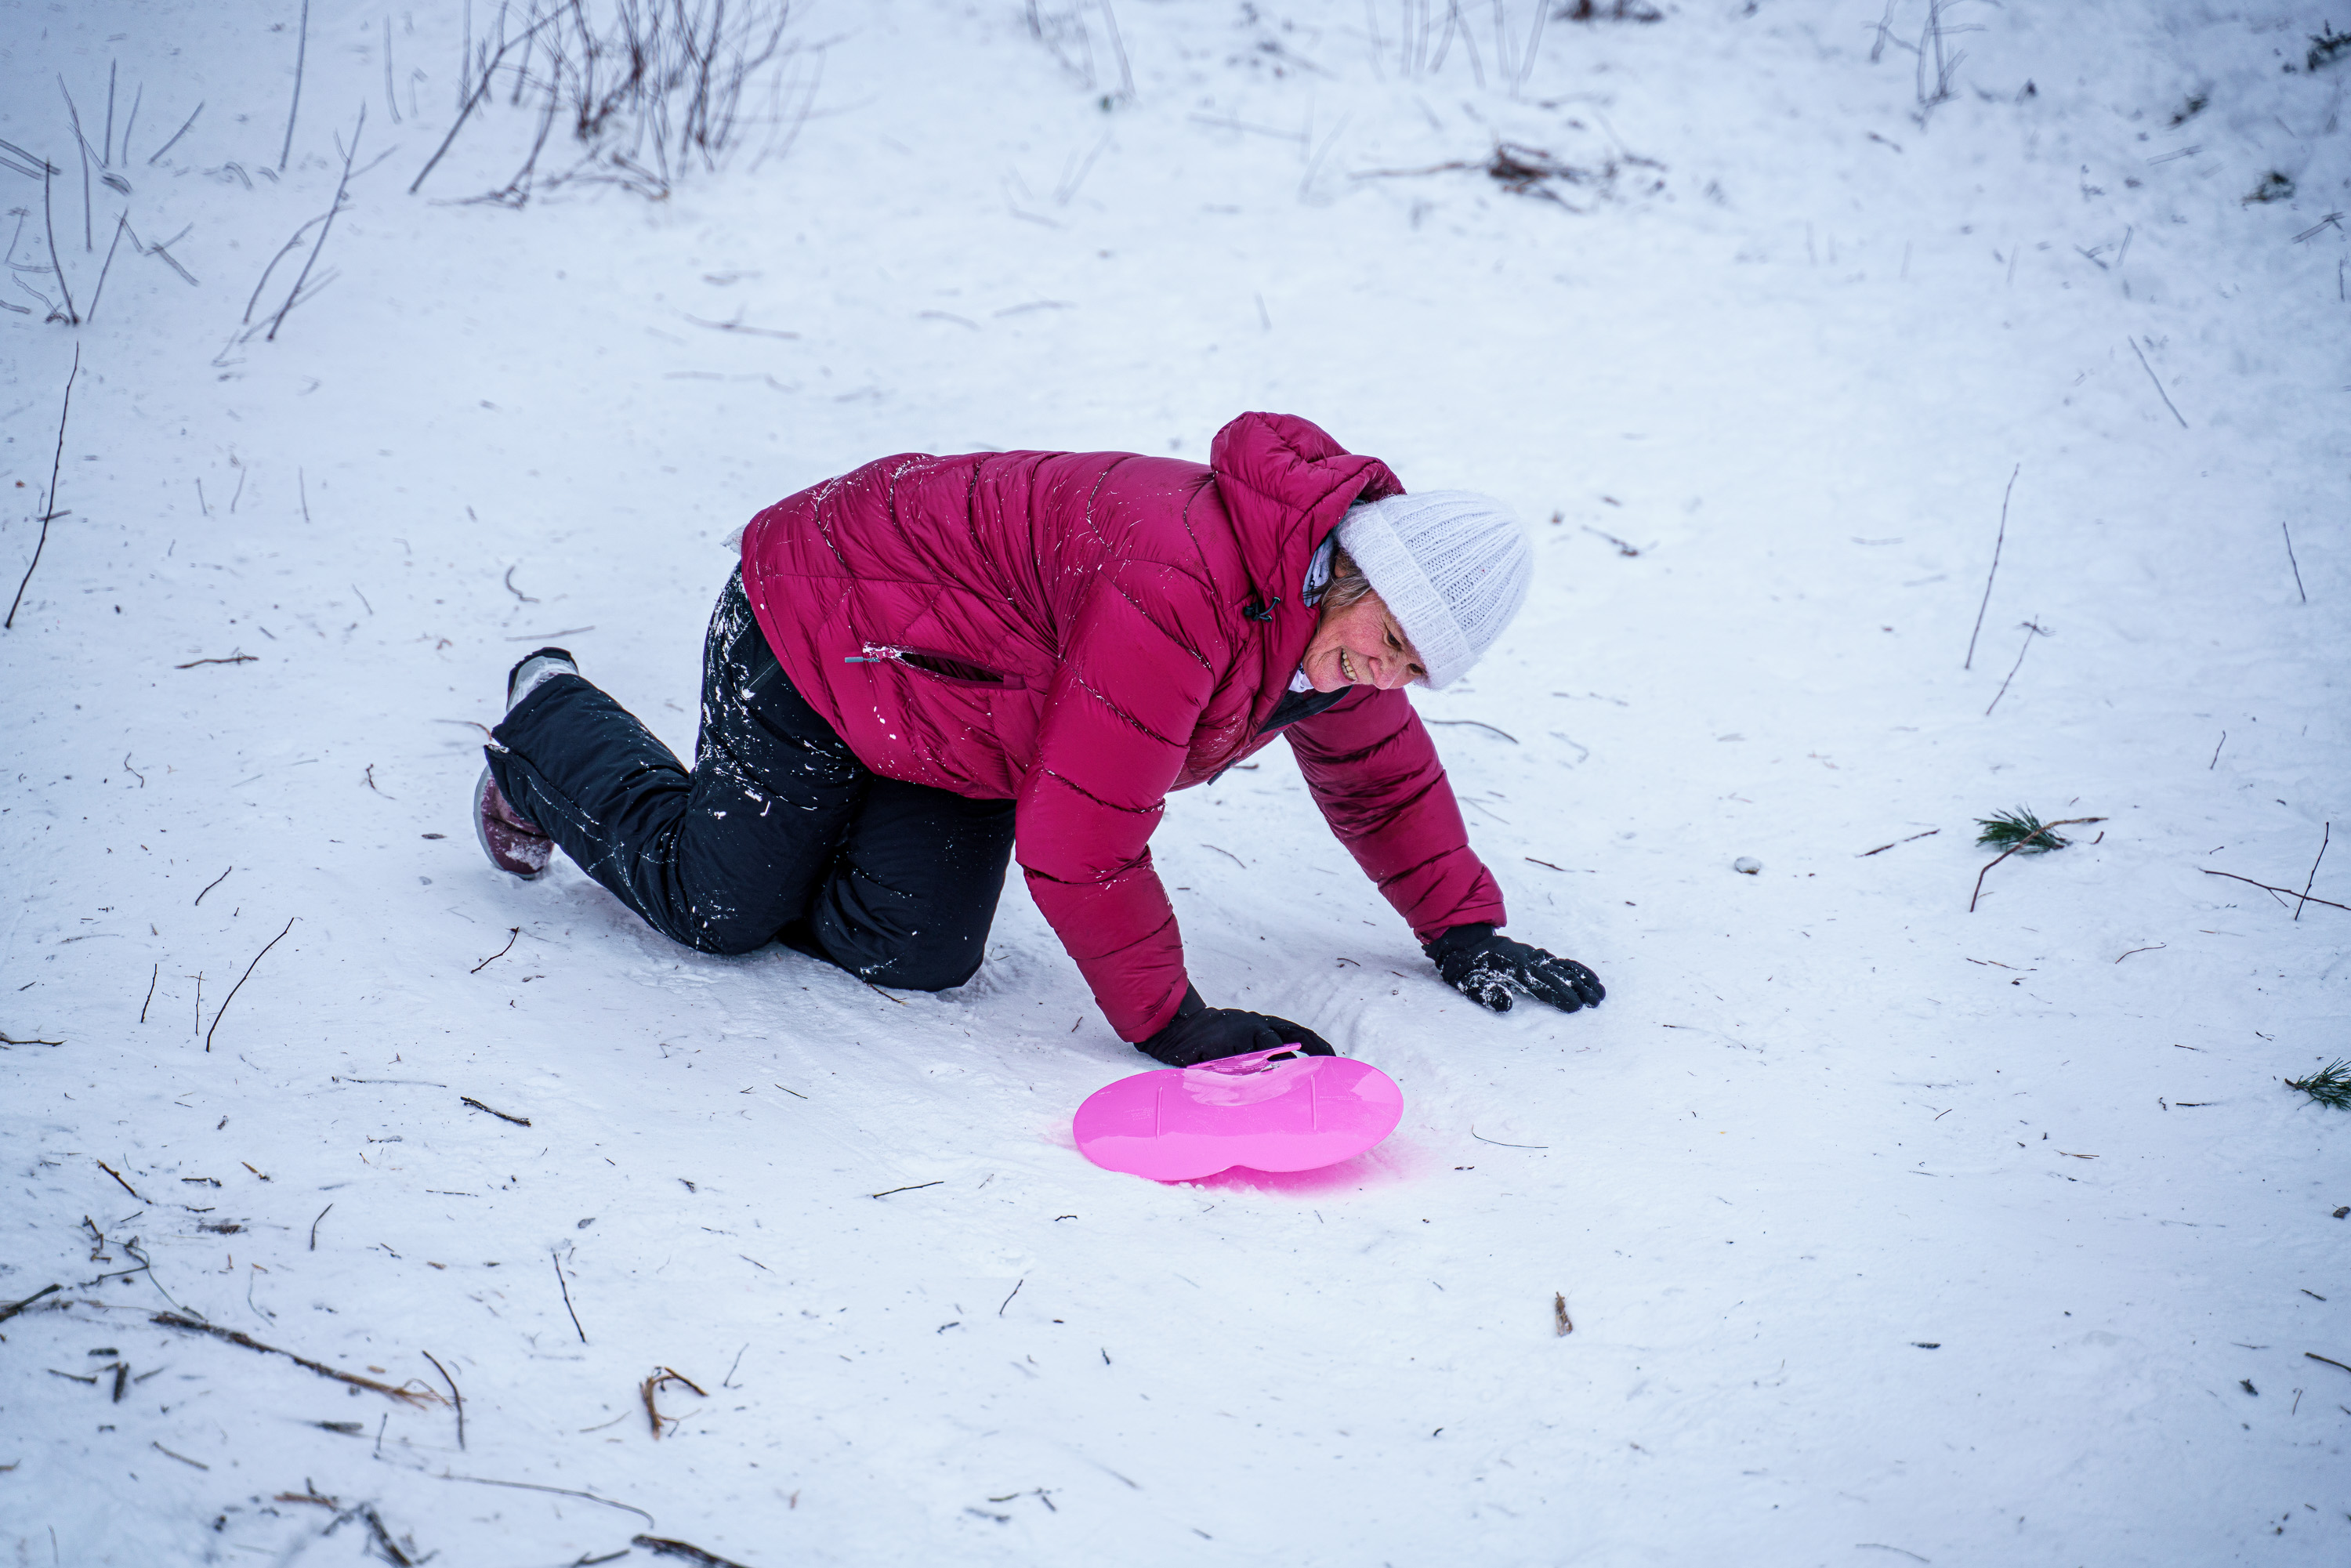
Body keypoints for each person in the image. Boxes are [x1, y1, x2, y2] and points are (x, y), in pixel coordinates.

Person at [473, 411, 1603, 1065]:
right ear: (1359, 570)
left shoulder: (1327, 629)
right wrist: (1171, 1020)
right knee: (720, 906)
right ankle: (550, 719)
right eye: (1392, 642)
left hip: (954, 709)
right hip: (824, 625)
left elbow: (1382, 777)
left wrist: (1464, 928)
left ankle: (804, 834)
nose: (1390, 677)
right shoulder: (1188, 582)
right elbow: (1078, 838)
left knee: (914, 953)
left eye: (1418, 670)